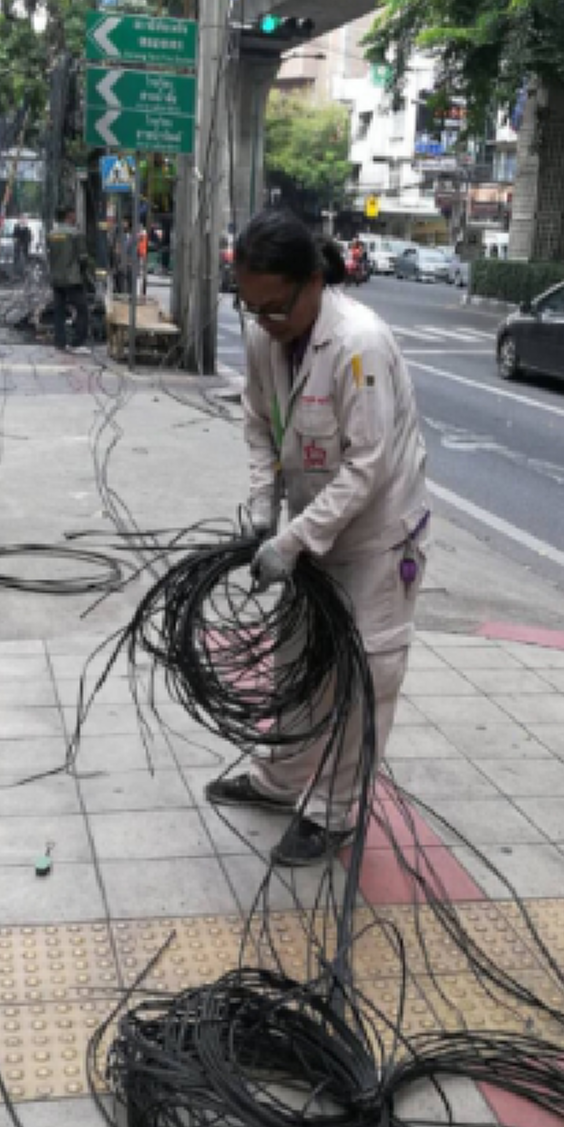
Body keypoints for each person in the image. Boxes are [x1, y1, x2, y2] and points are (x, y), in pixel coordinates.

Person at [207, 209, 430, 867]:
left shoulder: (359, 343)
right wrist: (261, 505)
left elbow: (368, 466)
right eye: (253, 308)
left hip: (378, 535)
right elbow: (258, 424)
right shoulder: (264, 337)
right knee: (295, 658)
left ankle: (332, 810)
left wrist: (294, 539)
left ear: (313, 283)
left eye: (276, 306)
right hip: (312, 524)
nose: (266, 321)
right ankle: (280, 778)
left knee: (363, 670)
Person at [46, 206, 90, 352]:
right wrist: (83, 274)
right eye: (74, 213)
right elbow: (83, 258)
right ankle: (77, 342)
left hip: (56, 279)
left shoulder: (51, 234)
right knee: (82, 309)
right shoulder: (75, 234)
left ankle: (60, 342)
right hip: (72, 279)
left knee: (59, 311)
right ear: (69, 215)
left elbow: (50, 256)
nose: (76, 216)